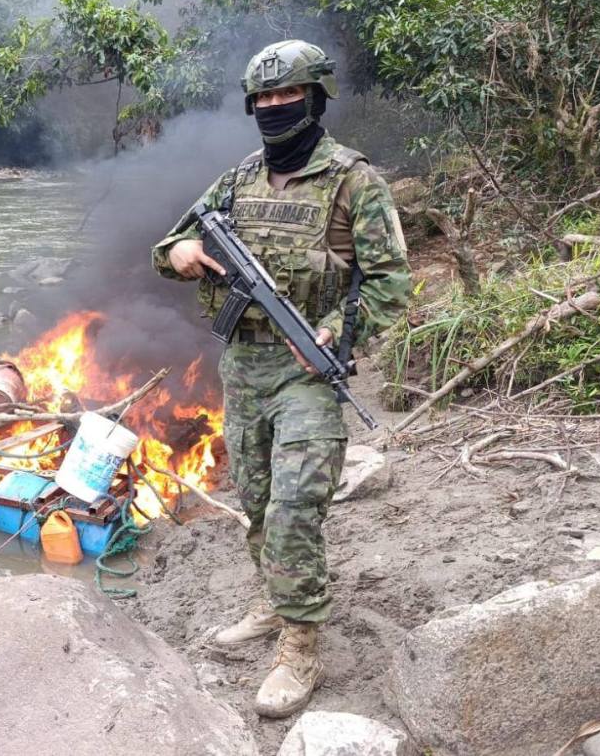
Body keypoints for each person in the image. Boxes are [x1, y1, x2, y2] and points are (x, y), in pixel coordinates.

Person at [151, 39, 411, 718]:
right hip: (243, 365)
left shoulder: (355, 182)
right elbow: (168, 244)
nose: (273, 106)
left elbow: (390, 285)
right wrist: (179, 252)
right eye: (263, 97)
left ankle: (300, 646)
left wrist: (336, 330)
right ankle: (271, 598)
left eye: (286, 95)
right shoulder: (235, 182)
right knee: (260, 499)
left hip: (306, 373)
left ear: (316, 97)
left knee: (297, 505)